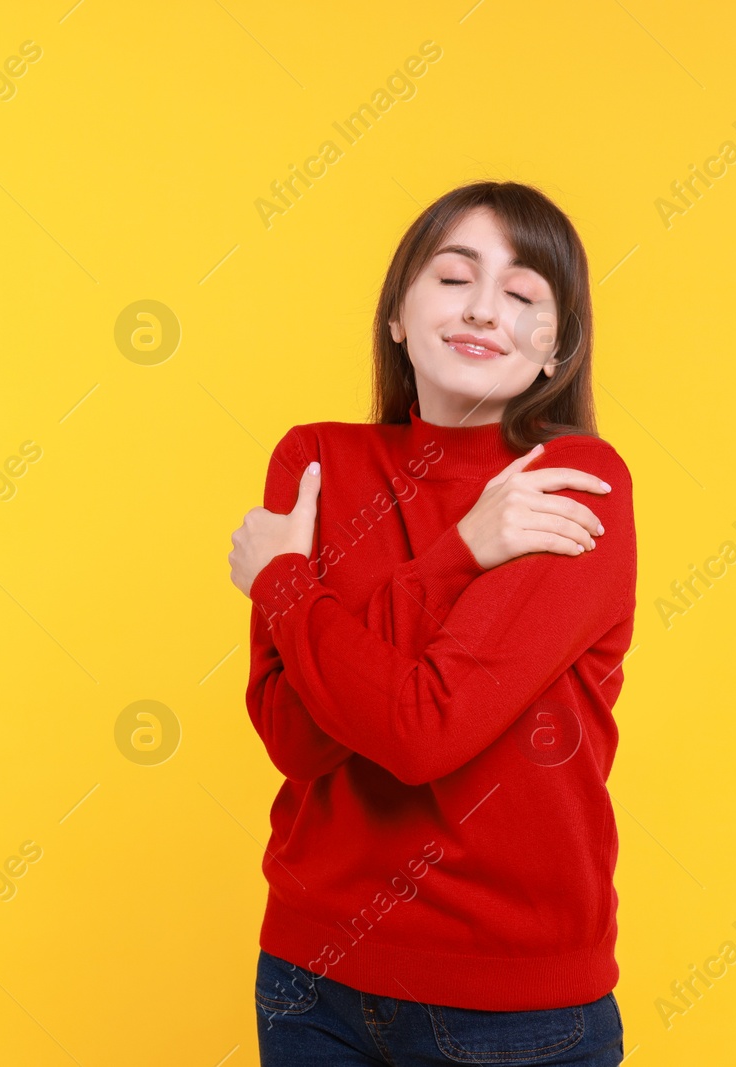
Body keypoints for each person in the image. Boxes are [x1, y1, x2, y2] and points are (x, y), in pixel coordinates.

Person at [227, 180, 635, 1065]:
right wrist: (464, 551)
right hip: (311, 981)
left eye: (524, 295)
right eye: (455, 278)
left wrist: (287, 584)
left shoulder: (571, 480)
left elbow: (422, 730)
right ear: (399, 315)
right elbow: (300, 736)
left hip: (514, 1008)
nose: (485, 307)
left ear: (554, 348)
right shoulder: (314, 463)